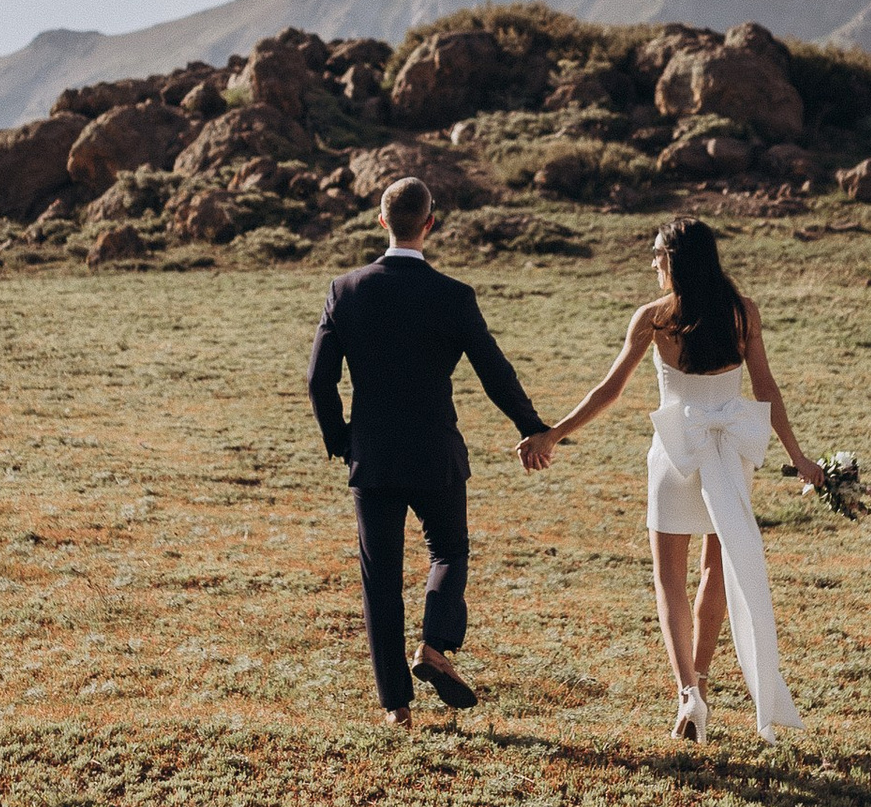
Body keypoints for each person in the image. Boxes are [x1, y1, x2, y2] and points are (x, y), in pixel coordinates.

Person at [546, 216, 817, 740]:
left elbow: (609, 390)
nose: (652, 262)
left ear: (674, 259)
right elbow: (766, 390)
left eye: (657, 253)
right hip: (731, 454)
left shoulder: (653, 318)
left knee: (669, 580)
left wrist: (554, 434)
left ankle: (687, 693)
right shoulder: (742, 313)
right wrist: (799, 457)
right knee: (717, 568)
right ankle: (704, 681)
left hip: (676, 453)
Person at [307, 177, 556, 727]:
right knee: (448, 551)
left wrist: (342, 440)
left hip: (372, 456)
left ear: (381, 221)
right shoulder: (453, 295)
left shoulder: (345, 290)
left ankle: (396, 706)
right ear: (431, 223)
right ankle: (435, 644)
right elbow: (494, 372)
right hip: (435, 453)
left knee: (380, 577)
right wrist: (533, 427)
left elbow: (319, 381)